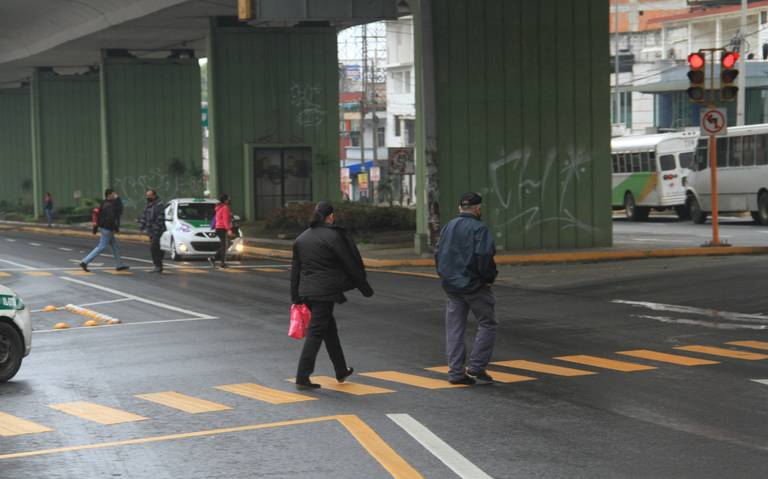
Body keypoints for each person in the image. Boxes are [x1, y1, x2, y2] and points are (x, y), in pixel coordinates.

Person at [290, 201, 374, 390]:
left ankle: (341, 369)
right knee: (316, 332)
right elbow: (350, 263)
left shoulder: (301, 239)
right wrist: (364, 287)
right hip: (325, 292)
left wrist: (295, 297)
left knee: (329, 330)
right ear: (331, 216)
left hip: (307, 292)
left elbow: (295, 271)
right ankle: (302, 376)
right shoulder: (333, 236)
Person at [434, 192, 498, 386]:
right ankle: (477, 367)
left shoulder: (448, 227)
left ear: (459, 209)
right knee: (488, 323)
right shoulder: (480, 229)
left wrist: (445, 276)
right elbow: (484, 256)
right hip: (475, 286)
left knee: (454, 329)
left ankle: (455, 372)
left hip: (452, 287)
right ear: (478, 209)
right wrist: (488, 278)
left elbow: (438, 254)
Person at [79, 189, 129, 273]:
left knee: (114, 246)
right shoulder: (108, 205)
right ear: (109, 195)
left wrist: (118, 198)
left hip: (105, 227)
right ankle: (85, 261)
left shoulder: (105, 203)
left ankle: (120, 265)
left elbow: (119, 208)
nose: (115, 195)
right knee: (101, 247)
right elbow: (111, 218)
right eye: (113, 194)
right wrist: (116, 228)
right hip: (107, 228)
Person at [139, 189, 166, 273]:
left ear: (154, 196)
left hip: (158, 230)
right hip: (150, 231)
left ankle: (158, 265)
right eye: (147, 195)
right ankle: (158, 265)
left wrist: (155, 229)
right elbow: (144, 216)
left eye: (149, 196)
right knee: (156, 248)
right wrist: (141, 228)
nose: (147, 197)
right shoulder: (148, 205)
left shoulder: (159, 205)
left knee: (155, 248)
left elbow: (160, 218)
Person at [208, 194, 233, 269]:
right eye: (228, 198)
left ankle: (214, 259)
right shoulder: (225, 207)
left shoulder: (219, 207)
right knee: (225, 245)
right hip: (222, 228)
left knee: (225, 245)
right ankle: (221, 262)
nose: (230, 200)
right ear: (225, 200)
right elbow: (225, 220)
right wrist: (228, 230)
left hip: (218, 228)